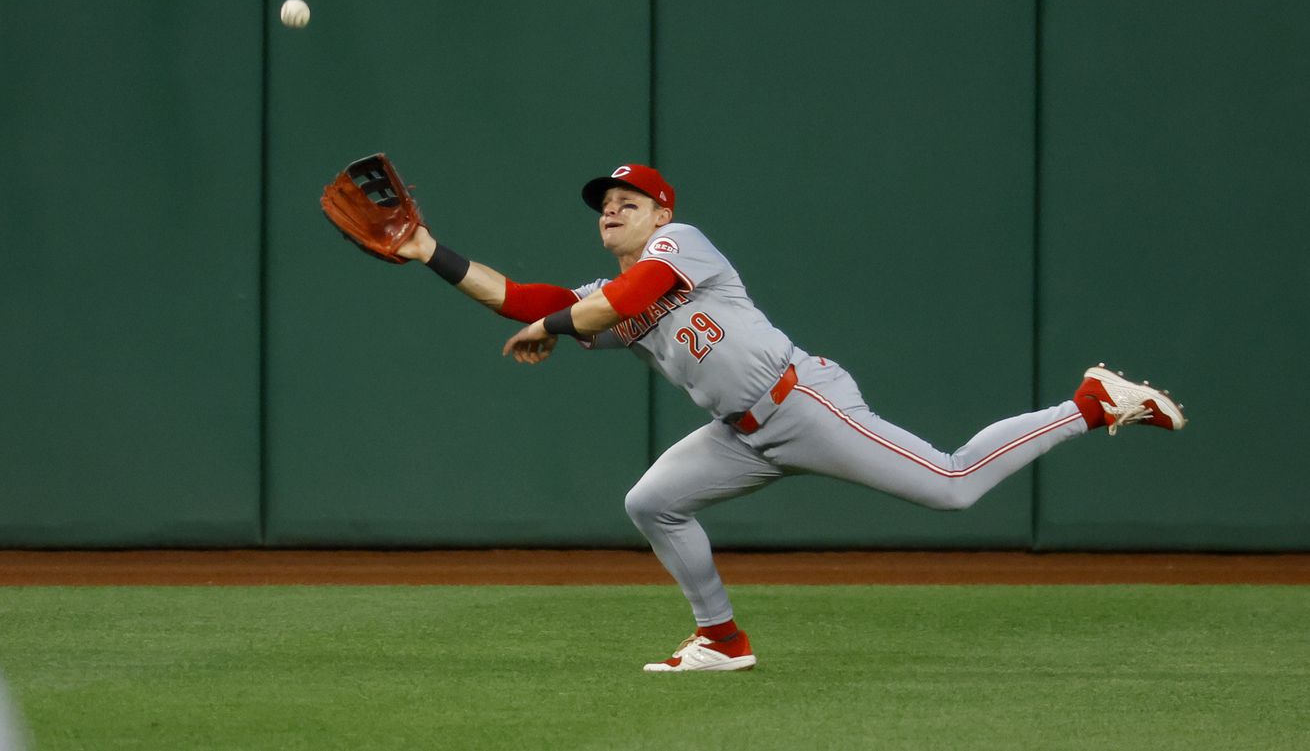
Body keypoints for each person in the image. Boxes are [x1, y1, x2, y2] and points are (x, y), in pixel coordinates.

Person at [396, 163, 1186, 673]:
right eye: (604, 205)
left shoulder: (681, 244)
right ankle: (722, 639)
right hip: (740, 435)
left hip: (802, 401)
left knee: (951, 486)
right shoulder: (601, 300)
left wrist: (559, 328)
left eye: (626, 200)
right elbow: (523, 298)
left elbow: (618, 301)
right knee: (652, 501)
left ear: (660, 210)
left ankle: (1091, 401)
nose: (612, 209)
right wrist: (432, 250)